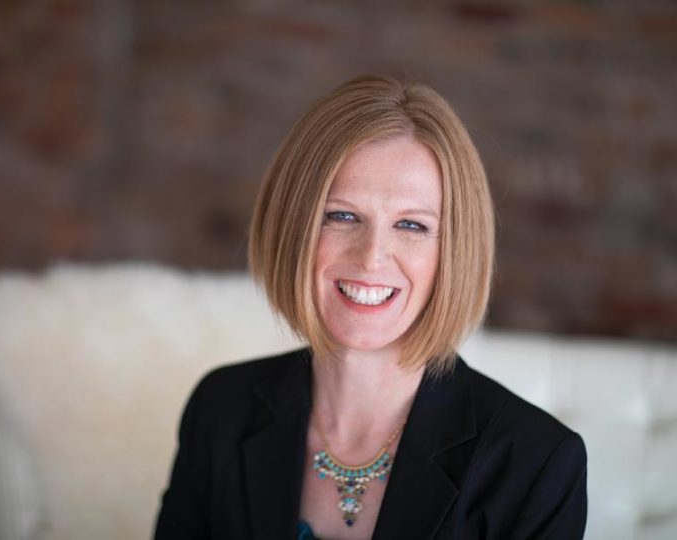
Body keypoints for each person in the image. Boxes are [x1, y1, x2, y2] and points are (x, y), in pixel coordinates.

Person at [154, 74, 588, 539]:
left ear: (455, 251)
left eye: (412, 225)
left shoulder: (537, 464)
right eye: (341, 216)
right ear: (291, 227)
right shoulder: (221, 409)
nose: (371, 257)